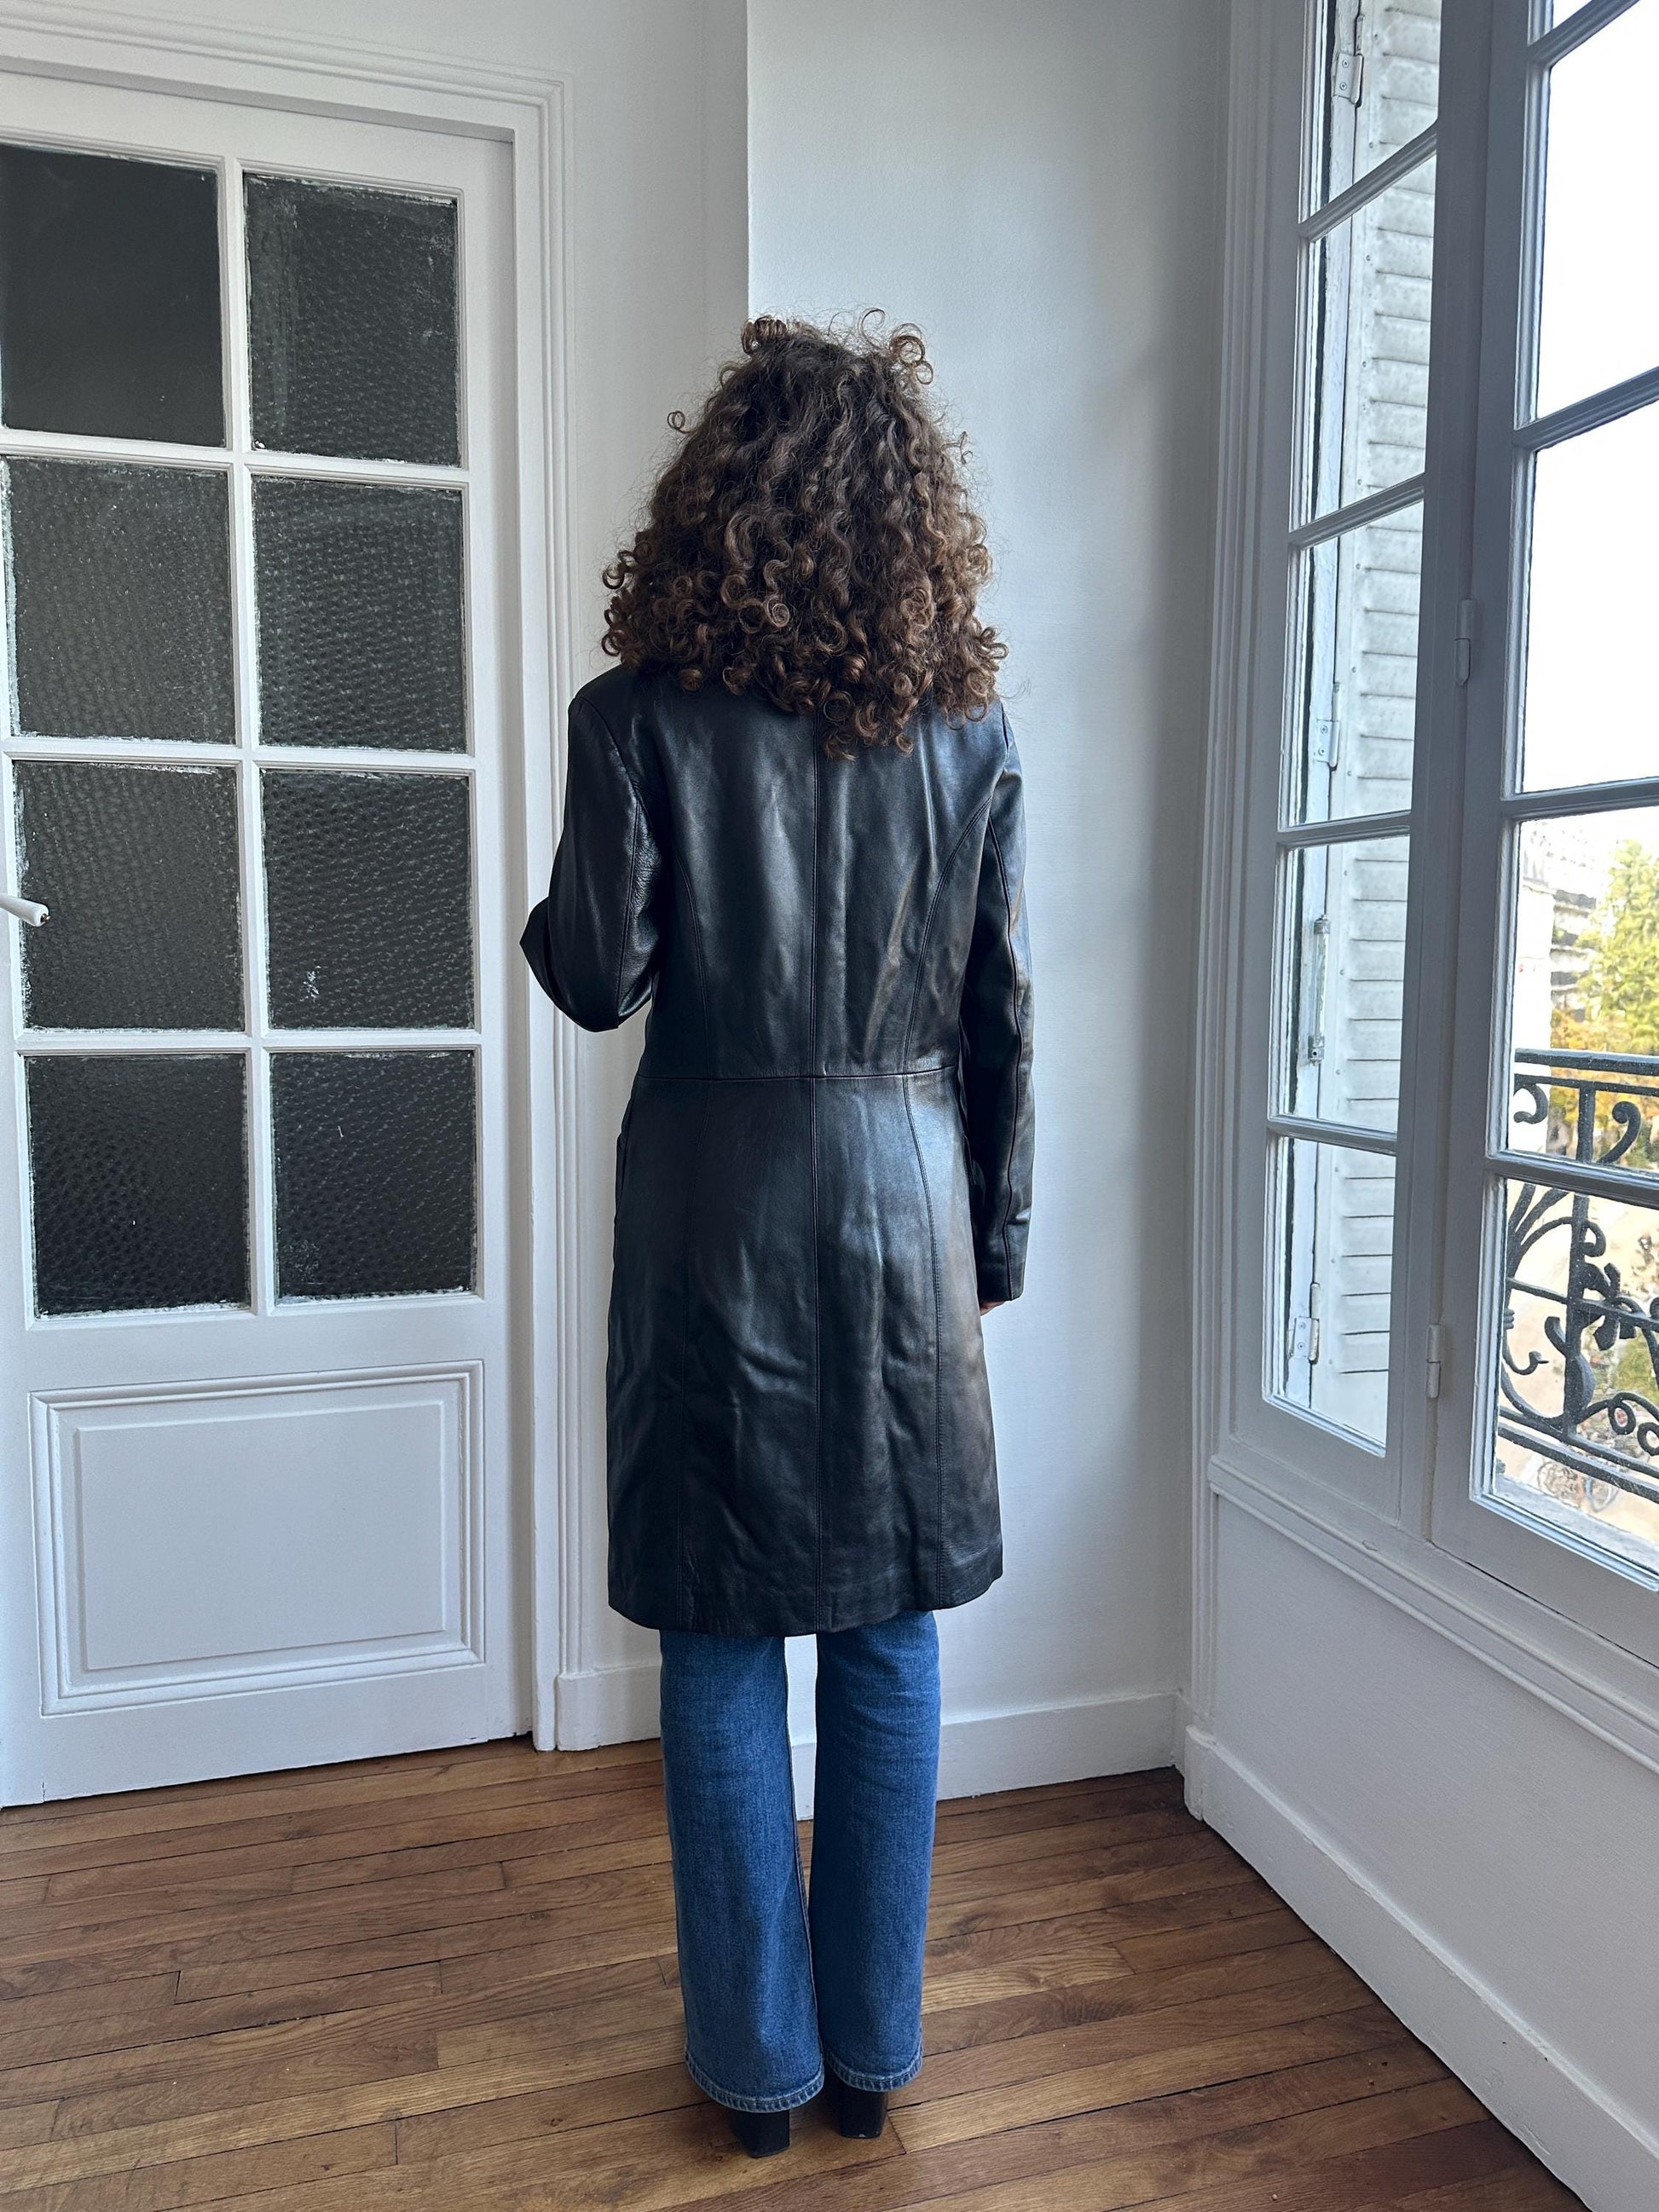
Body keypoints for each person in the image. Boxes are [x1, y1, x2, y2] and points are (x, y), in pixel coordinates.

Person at [520, 314, 1035, 2159]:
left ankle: (753, 2074)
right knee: (890, 1640)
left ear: (710, 504)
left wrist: (563, 872)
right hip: (898, 1212)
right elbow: (999, 1014)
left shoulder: (634, 716)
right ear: (915, 523)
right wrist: (991, 1250)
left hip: (714, 1216)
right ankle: (873, 2058)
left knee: (726, 1639)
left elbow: (598, 978)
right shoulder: (967, 733)